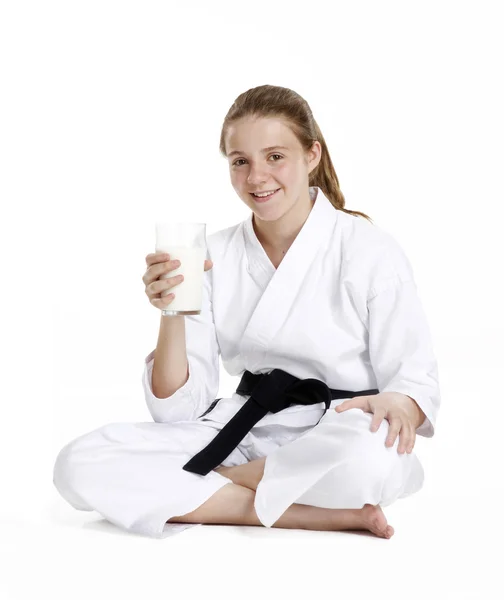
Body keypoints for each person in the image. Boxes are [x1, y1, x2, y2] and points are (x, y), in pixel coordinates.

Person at [53, 84, 441, 540]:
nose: (257, 177)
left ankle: (218, 486)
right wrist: (171, 312)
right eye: (241, 161)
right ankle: (306, 512)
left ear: (311, 155)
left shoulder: (369, 249)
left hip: (337, 429)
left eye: (275, 156)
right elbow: (180, 412)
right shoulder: (211, 254)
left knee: (373, 458)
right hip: (243, 428)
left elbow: (415, 383)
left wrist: (400, 402)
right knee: (79, 463)